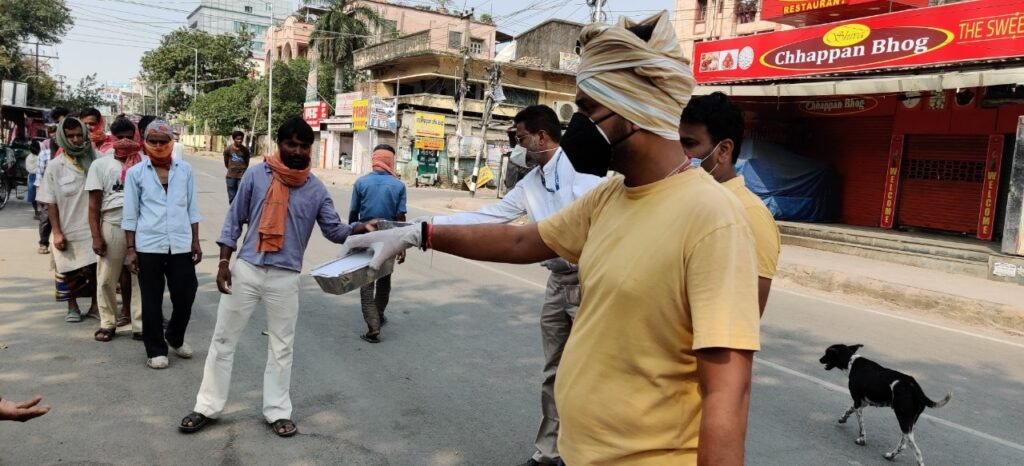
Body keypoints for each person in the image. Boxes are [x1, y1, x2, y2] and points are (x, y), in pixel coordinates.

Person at [339, 12, 760, 466]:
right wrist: (415, 234)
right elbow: (521, 243)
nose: (574, 124)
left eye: (586, 108)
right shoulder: (610, 197)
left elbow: (727, 393)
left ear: (632, 107)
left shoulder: (713, 219)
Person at [423, 105, 602, 466]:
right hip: (557, 283)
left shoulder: (586, 173)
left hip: (592, 282)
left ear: (541, 136)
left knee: (592, 374)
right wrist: (424, 227)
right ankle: (549, 452)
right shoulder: (531, 183)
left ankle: (586, 454)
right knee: (554, 373)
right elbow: (489, 216)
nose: (518, 146)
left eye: (521, 138)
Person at [179, 117, 374, 437]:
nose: (297, 151)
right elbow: (234, 221)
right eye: (290, 144)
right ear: (279, 145)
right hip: (248, 270)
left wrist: (361, 228)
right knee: (224, 340)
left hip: (285, 278)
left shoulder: (315, 189)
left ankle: (277, 411)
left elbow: (334, 230)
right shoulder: (256, 175)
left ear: (310, 149)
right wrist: (223, 263)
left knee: (282, 347)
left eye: (303, 146)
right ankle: (207, 406)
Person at [680, 92, 781, 315]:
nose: (680, 154)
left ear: (723, 150)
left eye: (689, 144)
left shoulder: (750, 214)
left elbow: (745, 316)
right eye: (675, 143)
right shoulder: (680, 201)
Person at [122, 119, 202, 370]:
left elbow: (192, 208)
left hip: (180, 243)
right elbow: (130, 213)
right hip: (149, 245)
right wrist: (131, 249)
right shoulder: (136, 173)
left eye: (163, 141)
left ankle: (175, 337)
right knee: (151, 300)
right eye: (153, 141)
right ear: (145, 143)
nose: (158, 146)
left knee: (186, 293)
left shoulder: (185, 170)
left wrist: (195, 241)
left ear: (172, 142)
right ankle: (156, 349)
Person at [86, 116, 144, 342]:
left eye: (129, 138)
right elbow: (93, 205)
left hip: (142, 226)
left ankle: (139, 324)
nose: (124, 142)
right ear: (113, 137)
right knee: (106, 279)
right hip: (112, 223)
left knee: (141, 277)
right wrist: (96, 236)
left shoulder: (144, 162)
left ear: (135, 137)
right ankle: (108, 322)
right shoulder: (101, 164)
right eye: (120, 138)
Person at [36, 117, 100, 323]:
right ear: (63, 138)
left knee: (97, 270)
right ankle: (72, 307)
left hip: (94, 228)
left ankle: (95, 306)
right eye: (70, 136)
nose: (75, 139)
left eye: (79, 134)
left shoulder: (97, 160)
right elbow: (50, 201)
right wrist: (56, 232)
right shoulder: (56, 166)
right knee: (68, 270)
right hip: (68, 226)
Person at [349, 144, 407, 343]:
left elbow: (353, 214)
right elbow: (400, 217)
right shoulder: (399, 185)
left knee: (366, 282)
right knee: (384, 279)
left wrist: (352, 238)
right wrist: (403, 245)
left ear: (375, 159)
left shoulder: (361, 183)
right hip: (390, 235)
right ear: (391, 160)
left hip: (366, 232)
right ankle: (379, 315)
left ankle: (373, 326)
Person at [36, 125, 57, 254]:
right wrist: (39, 191)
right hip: (48, 189)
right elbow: (39, 174)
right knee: (45, 217)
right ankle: (43, 243)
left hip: (64, 190)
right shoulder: (44, 153)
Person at [223, 130, 250, 203]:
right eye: (238, 139)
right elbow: (226, 162)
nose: (240, 141)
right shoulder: (228, 149)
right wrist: (231, 169)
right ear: (234, 139)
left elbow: (247, 163)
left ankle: (239, 212)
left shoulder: (245, 150)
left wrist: (242, 170)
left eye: (241, 139)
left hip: (241, 176)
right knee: (232, 197)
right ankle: (233, 212)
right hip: (231, 176)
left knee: (241, 196)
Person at [25, 141, 40, 219]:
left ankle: (37, 211)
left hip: (33, 176)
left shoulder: (29, 157)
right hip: (36, 176)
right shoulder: (38, 157)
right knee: (36, 196)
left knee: (34, 196)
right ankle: (37, 211)